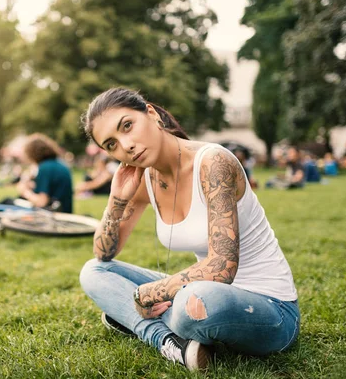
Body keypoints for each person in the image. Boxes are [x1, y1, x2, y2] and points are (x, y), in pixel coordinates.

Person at [78, 88, 299, 371]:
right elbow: (103, 253)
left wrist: (143, 296)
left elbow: (222, 267)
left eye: (127, 126)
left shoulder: (212, 162)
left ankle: (131, 318)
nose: (126, 145)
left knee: (191, 302)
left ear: (151, 114)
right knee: (94, 271)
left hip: (271, 309)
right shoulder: (144, 178)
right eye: (111, 144)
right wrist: (117, 200)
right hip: (203, 292)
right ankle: (169, 341)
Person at [15, 133, 73, 213]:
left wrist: (24, 191)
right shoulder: (60, 164)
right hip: (64, 212)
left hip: (53, 216)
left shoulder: (44, 168)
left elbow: (42, 202)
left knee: (9, 202)